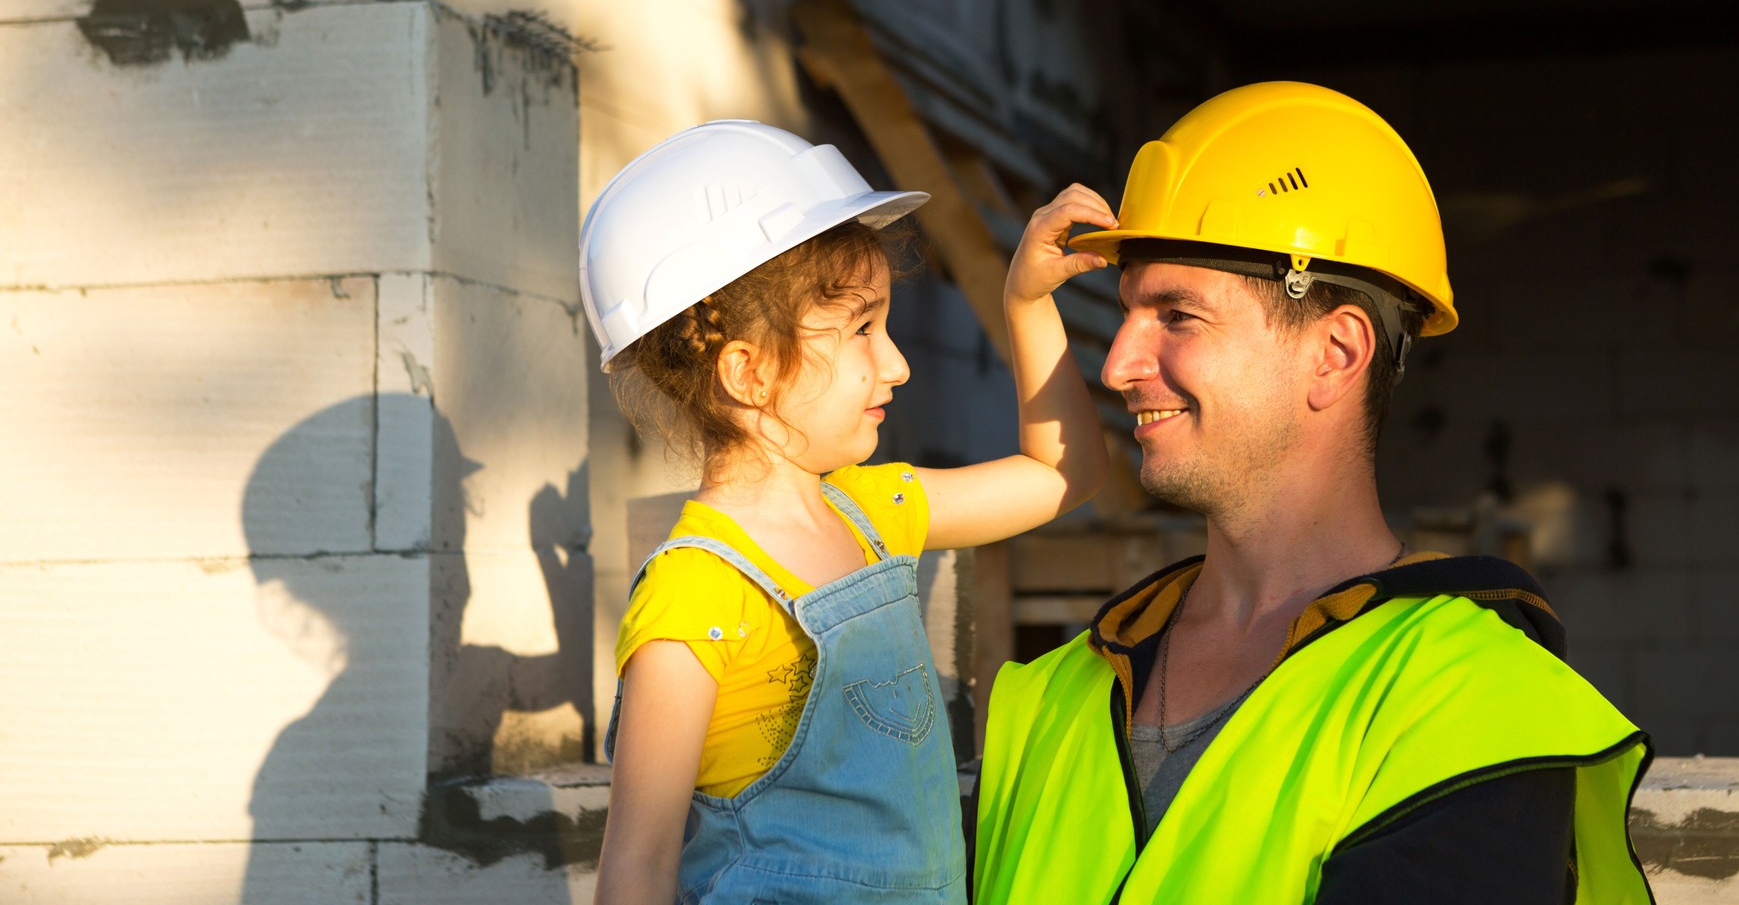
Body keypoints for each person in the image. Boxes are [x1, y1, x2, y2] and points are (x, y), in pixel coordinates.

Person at [972, 83, 1655, 905]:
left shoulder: (1470, 700)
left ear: (1334, 353)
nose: (1117, 365)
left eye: (1178, 316)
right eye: (1128, 313)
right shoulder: (1054, 696)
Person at [581, 120, 1113, 905]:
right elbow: (638, 868)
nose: (896, 362)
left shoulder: (877, 510)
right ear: (749, 371)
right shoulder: (695, 597)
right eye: (862, 328)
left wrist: (1026, 301)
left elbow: (1065, 473)